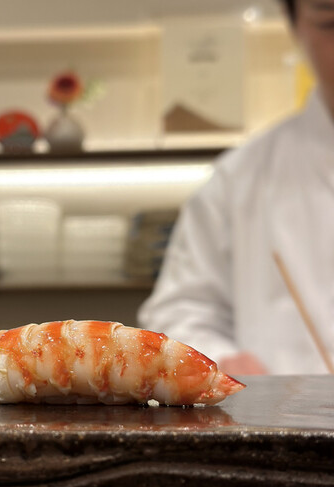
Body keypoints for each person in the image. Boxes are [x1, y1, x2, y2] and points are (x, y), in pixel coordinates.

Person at [138, 0, 334, 376]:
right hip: (278, 412)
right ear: (295, 25)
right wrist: (220, 360)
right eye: (330, 21)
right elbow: (180, 312)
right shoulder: (239, 178)